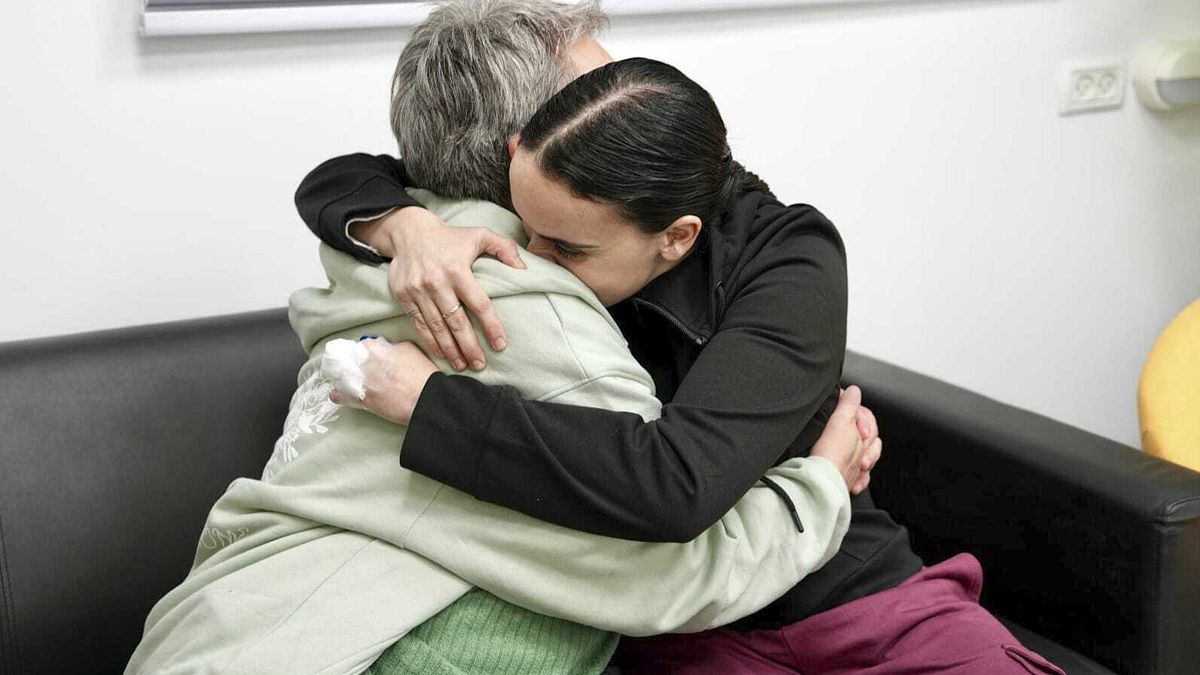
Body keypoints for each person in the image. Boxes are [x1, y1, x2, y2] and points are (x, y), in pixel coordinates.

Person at [295, 6, 1066, 675]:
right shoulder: (532, 221)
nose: (535, 252)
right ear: (515, 149)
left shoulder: (780, 251)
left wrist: (428, 405)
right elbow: (343, 175)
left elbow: (677, 483)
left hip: (851, 589)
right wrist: (404, 226)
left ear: (674, 235)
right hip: (692, 623)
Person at [124, 3, 878, 674]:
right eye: (590, 92)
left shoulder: (383, 249)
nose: (612, 105)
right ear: (527, 142)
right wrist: (818, 482)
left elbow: (671, 484)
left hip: (215, 621)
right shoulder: (513, 296)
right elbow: (669, 564)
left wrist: (404, 245)